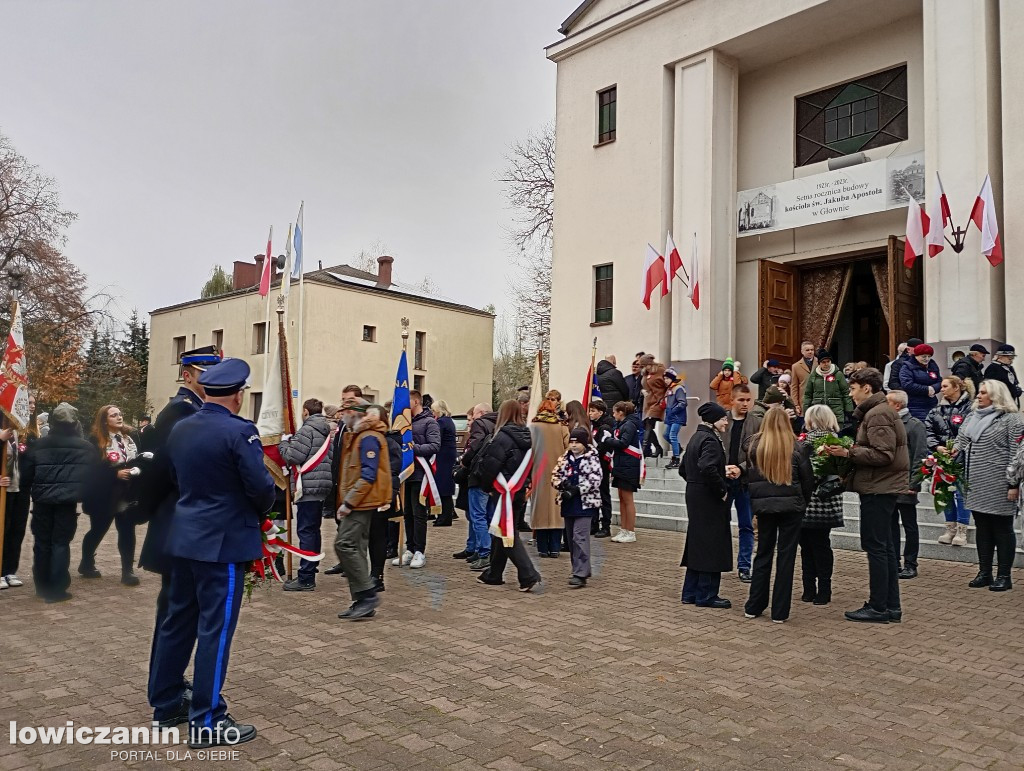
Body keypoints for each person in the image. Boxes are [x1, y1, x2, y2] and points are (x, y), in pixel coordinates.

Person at [148, 358, 275, 746]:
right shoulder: (241, 432)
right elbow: (261, 489)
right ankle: (207, 720)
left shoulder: (182, 428)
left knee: (177, 623)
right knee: (215, 631)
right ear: (239, 395)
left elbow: (175, 478)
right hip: (223, 542)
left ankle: (167, 704)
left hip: (184, 536)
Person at [137, 345, 220, 723]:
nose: (212, 379)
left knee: (176, 614)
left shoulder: (194, 412)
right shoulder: (179, 413)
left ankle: (167, 685)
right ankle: (166, 696)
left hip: (180, 525)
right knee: (176, 615)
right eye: (206, 372)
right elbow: (171, 476)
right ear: (187, 374)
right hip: (178, 525)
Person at [824, 367, 907, 624]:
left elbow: (884, 455)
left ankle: (878, 606)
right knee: (885, 546)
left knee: (876, 547)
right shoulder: (878, 412)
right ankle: (890, 605)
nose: (850, 393)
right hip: (880, 487)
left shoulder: (878, 413)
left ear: (866, 388)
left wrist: (847, 453)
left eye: (852, 388)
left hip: (878, 488)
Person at [741, 408, 813, 623]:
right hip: (792, 507)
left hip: (764, 507)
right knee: (786, 557)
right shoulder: (797, 448)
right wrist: (803, 502)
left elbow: (750, 479)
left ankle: (754, 605)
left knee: (763, 553)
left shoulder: (754, 447)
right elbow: (808, 480)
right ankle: (780, 611)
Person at [18, 402, 95, 603]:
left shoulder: (38, 446)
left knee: (42, 542)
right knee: (60, 543)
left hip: (42, 501)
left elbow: (25, 476)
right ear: (75, 423)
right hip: (67, 502)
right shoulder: (86, 448)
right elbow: (92, 477)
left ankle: (42, 585)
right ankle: (57, 588)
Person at [954, 380, 1023, 592]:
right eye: (979, 392)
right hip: (975, 481)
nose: (978, 396)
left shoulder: (1013, 420)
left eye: (984, 393)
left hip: (1000, 483)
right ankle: (984, 572)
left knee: (1002, 529)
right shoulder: (972, 417)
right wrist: (951, 452)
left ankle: (1004, 575)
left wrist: (1014, 484)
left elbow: (1017, 455)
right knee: (982, 528)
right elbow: (961, 441)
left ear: (996, 395)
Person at [476, 399, 542, 592]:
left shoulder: (502, 437)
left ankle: (528, 574)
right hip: (518, 490)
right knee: (501, 529)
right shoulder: (529, 436)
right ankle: (494, 574)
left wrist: (485, 485)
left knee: (506, 531)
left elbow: (491, 465)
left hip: (503, 490)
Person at [333, 401, 391, 619]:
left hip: (361, 502)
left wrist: (349, 503)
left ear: (358, 415)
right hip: (361, 501)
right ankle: (362, 600)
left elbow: (368, 475)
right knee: (355, 547)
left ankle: (367, 596)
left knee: (345, 544)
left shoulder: (368, 438)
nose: (343, 416)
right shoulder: (360, 436)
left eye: (347, 412)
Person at [79, 405, 143, 586]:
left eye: (120, 414)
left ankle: (127, 571)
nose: (119, 417)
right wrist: (114, 474)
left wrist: (138, 468)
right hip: (105, 493)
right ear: (105, 420)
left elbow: (138, 458)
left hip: (127, 492)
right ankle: (86, 563)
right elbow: (91, 469)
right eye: (114, 415)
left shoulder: (131, 437)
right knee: (98, 530)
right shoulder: (96, 440)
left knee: (127, 529)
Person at [278, 398, 334, 591]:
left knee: (306, 531)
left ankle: (306, 576)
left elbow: (293, 456)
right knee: (313, 530)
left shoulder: (306, 430)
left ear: (305, 412)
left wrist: (283, 444)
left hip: (308, 486)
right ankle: (311, 567)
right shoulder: (326, 431)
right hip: (321, 485)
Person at [680, 402, 732, 608]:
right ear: (713, 421)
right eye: (723, 418)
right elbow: (707, 467)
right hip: (707, 497)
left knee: (698, 542)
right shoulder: (710, 439)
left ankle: (690, 592)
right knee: (712, 544)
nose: (726, 421)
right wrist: (721, 489)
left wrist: (695, 483)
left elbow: (684, 469)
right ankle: (706, 594)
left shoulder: (696, 437)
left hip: (695, 494)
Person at [797, 405, 845, 605]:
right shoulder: (837, 442)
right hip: (827, 501)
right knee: (822, 545)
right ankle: (824, 589)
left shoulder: (806, 441)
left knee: (806, 546)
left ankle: (809, 589)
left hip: (807, 500)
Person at [925, 375, 974, 546]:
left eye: (945, 386)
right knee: (945, 494)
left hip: (963, 458)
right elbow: (928, 431)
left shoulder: (970, 408)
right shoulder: (936, 410)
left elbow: (969, 433)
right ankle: (950, 528)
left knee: (961, 494)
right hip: (942, 458)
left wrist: (958, 449)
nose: (942, 389)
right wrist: (937, 447)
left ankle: (962, 530)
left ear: (957, 387)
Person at [723, 384, 764, 582]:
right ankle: (718, 561)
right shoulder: (722, 420)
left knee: (747, 526)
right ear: (732, 400)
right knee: (718, 523)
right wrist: (724, 469)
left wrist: (741, 467)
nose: (745, 404)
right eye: (741, 400)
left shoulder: (756, 423)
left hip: (745, 482)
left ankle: (744, 566)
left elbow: (759, 453)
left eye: (748, 400)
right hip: (722, 480)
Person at [551, 427, 602, 588]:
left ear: (584, 443)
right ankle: (578, 569)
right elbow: (555, 475)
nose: (573, 445)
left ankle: (581, 572)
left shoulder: (591, 458)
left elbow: (595, 479)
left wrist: (577, 489)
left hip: (585, 504)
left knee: (580, 537)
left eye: (577, 442)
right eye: (571, 442)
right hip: (568, 504)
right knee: (571, 539)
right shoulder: (565, 458)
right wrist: (562, 485)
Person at [886, 390, 928, 580]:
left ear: (897, 405)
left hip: (906, 482)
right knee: (890, 524)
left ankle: (911, 563)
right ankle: (893, 561)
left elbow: (920, 455)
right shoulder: (888, 423)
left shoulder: (914, 425)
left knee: (909, 525)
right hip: (888, 483)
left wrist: (914, 483)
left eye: (888, 402)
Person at [396, 390, 440, 569]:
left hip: (421, 474)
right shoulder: (405, 423)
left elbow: (435, 445)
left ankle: (420, 551)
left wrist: (414, 448)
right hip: (406, 474)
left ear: (415, 402)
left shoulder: (429, 422)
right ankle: (410, 548)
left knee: (419, 513)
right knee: (407, 514)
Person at [325, 384, 366, 575]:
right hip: (339, 479)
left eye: (348, 400)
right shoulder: (343, 424)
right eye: (342, 400)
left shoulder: (361, 427)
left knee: (354, 533)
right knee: (340, 523)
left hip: (354, 484)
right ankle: (345, 563)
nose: (343, 405)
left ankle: (356, 566)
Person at [0, 393, 37, 590]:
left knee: (16, 530)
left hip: (20, 489)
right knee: (1, 529)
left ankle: (9, 571)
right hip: (3, 490)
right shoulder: (3, 432)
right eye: (26, 403)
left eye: (32, 404)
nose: (29, 407)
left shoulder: (23, 433)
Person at [455, 403, 497, 567]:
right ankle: (481, 549)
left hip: (477, 474)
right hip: (491, 476)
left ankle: (484, 552)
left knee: (477, 515)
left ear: (480, 413)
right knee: (487, 515)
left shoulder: (480, 424)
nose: (470, 421)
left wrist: (463, 462)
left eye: (472, 416)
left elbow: (474, 446)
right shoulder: (498, 424)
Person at [530, 395, 570, 557]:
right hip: (558, 474)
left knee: (540, 510)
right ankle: (554, 548)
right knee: (556, 511)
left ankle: (542, 549)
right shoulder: (561, 427)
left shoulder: (533, 427)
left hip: (537, 473)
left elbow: (527, 450)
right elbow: (569, 450)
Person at [606, 400, 643, 543]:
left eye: (615, 412)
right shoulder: (622, 424)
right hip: (622, 464)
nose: (613, 415)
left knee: (628, 499)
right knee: (621, 498)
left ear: (621, 413)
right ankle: (623, 529)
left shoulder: (629, 425)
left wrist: (608, 440)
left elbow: (623, 443)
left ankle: (630, 531)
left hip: (629, 465)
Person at [802, 349, 854, 428]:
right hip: (818, 411)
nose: (826, 364)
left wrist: (849, 410)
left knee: (836, 434)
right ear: (819, 363)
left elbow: (845, 393)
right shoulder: (814, 376)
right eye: (823, 362)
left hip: (836, 410)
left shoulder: (838, 374)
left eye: (828, 361)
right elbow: (808, 394)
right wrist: (806, 410)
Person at [588, 399, 615, 538]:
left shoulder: (605, 427)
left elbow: (604, 446)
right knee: (594, 494)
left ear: (600, 412)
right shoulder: (592, 426)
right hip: (593, 465)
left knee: (604, 495)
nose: (590, 413)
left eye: (593, 411)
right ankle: (593, 524)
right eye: (589, 410)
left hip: (602, 465)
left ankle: (606, 525)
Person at [431, 400, 458, 527]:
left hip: (443, 456)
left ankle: (444, 517)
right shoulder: (449, 421)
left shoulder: (441, 422)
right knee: (445, 485)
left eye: (433, 410)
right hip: (448, 454)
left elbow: (436, 438)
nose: (433, 412)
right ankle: (445, 515)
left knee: (442, 486)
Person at [898, 343, 941, 421]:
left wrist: (934, 388)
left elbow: (939, 381)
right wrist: (927, 390)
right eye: (923, 356)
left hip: (932, 403)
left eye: (929, 356)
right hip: (915, 406)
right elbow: (907, 385)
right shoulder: (907, 367)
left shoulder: (933, 365)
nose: (927, 359)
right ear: (916, 356)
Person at [640, 354, 667, 458]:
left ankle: (643, 449)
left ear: (649, 364)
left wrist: (665, 398)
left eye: (644, 365)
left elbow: (667, 384)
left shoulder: (660, 370)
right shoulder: (645, 373)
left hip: (658, 401)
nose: (643, 368)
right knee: (646, 425)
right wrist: (642, 391)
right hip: (648, 403)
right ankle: (658, 447)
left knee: (649, 424)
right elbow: (643, 385)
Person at [663, 369, 688, 470]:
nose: (665, 380)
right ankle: (678, 448)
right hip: (671, 417)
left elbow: (683, 402)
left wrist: (673, 410)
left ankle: (676, 459)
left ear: (672, 378)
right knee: (666, 435)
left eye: (667, 378)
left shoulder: (678, 389)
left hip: (677, 417)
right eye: (664, 378)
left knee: (672, 435)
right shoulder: (670, 389)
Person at [790, 342, 817, 415]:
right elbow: (794, 387)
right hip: (804, 401)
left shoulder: (820, 363)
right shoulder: (796, 366)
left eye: (812, 350)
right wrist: (795, 404)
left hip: (818, 399)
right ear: (802, 351)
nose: (810, 352)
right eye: (807, 350)